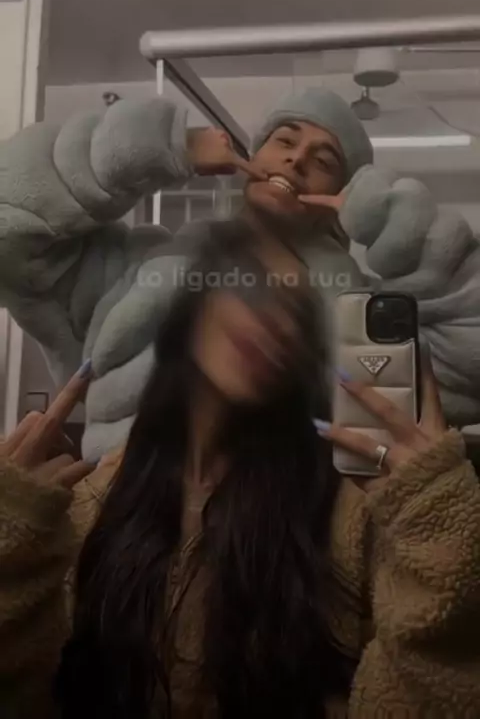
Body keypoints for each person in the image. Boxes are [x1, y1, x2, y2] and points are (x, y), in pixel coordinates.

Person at [1, 220, 480, 719]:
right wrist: (9, 543)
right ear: (195, 304)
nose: (279, 321)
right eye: (251, 283)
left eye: (299, 314)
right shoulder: (91, 500)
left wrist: (437, 528)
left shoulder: (351, 515)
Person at [1, 88, 479, 462]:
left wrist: (394, 223)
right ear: (255, 156)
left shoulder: (362, 320)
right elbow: (10, 227)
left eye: (324, 160)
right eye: (285, 141)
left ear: (340, 195)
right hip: (132, 529)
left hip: (296, 540)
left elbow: (471, 356)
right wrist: (162, 147)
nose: (297, 159)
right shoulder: (136, 270)